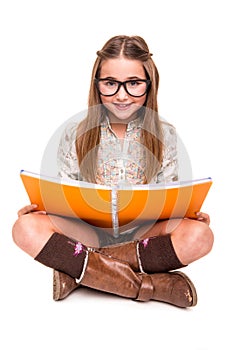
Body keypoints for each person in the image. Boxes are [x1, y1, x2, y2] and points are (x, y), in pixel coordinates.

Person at [12, 35, 214, 307]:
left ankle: (80, 273)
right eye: (110, 84)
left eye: (133, 83)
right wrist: (43, 209)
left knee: (200, 236)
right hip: (88, 233)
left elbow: (169, 194)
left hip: (145, 234)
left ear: (149, 85)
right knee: (25, 228)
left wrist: (188, 213)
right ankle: (151, 286)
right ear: (97, 86)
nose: (121, 95)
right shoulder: (76, 132)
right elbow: (65, 192)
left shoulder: (165, 135)